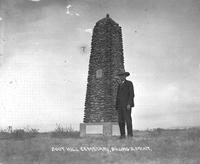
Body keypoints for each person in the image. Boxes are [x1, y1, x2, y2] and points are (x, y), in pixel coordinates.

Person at [116, 70, 135, 139]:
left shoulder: (129, 83)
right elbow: (118, 96)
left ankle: (130, 135)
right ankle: (122, 135)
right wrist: (117, 106)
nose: (121, 77)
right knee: (120, 121)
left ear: (125, 76)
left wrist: (129, 104)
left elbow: (131, 94)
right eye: (120, 76)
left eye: (123, 75)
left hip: (127, 106)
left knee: (128, 120)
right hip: (120, 106)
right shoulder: (119, 85)